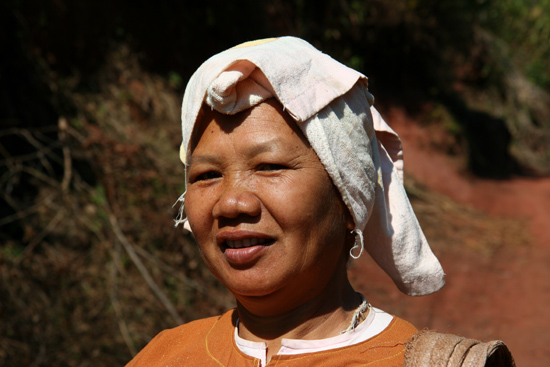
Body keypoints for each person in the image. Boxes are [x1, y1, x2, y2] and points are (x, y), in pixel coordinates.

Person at [126, 37, 514, 367]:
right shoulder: (164, 355)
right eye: (206, 175)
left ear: (348, 198)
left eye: (270, 166)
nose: (231, 203)